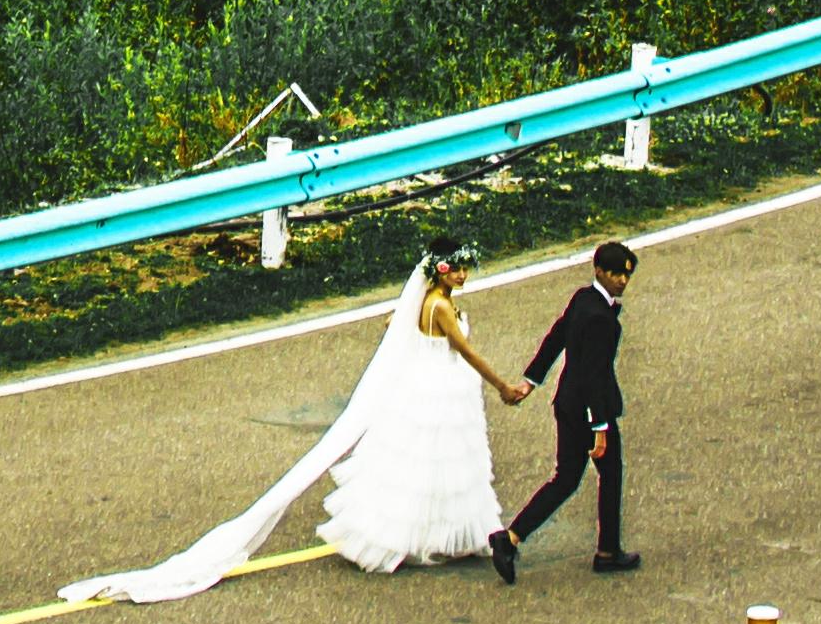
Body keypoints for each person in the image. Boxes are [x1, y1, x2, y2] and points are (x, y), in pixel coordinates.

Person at [65, 247, 522, 600]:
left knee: (429, 466)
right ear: (439, 270)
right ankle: (431, 536)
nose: (462, 275)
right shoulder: (440, 308)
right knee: (439, 464)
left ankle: (430, 535)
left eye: (465, 268)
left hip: (431, 387)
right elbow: (466, 352)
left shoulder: (424, 301)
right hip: (440, 390)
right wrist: (503, 385)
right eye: (457, 268)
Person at [488, 240, 639, 580]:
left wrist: (531, 380)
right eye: (616, 274)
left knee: (566, 479)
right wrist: (599, 427)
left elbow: (557, 336)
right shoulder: (603, 320)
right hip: (589, 409)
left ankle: (510, 539)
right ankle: (608, 551)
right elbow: (594, 375)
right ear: (599, 270)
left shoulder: (582, 298)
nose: (622, 281)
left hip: (567, 404)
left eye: (627, 275)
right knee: (609, 473)